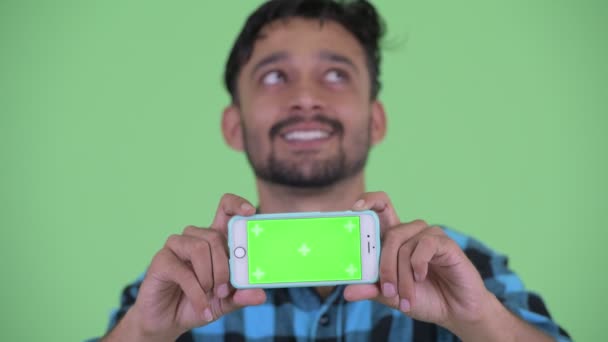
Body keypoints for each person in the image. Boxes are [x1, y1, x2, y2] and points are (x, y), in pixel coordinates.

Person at [94, 0, 570, 341]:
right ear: (234, 126)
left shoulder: (466, 270)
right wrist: (143, 334)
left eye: (337, 74)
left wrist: (479, 322)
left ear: (376, 120)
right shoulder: (175, 290)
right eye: (275, 76)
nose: (305, 97)